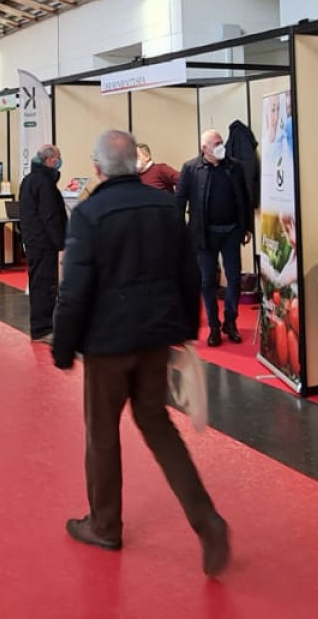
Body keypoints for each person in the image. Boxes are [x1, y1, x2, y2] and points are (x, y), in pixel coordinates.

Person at [53, 129, 230, 575]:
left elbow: (74, 290)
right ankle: (206, 519)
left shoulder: (90, 214)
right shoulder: (164, 207)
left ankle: (105, 524)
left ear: (96, 168)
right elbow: (188, 272)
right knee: (158, 426)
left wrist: (63, 345)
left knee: (102, 433)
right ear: (136, 163)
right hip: (155, 338)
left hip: (107, 344)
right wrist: (188, 329)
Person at [175, 129, 253, 348]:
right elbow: (179, 201)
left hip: (231, 232)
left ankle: (230, 321)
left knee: (234, 278)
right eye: (216, 143)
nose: (221, 146)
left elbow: (245, 198)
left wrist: (247, 226)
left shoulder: (234, 166)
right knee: (207, 281)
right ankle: (214, 326)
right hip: (204, 234)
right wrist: (180, 232)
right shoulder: (191, 168)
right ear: (204, 148)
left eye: (222, 142)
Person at [18, 144, 68, 343]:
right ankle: (42, 329)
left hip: (33, 240)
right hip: (43, 242)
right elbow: (50, 216)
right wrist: (60, 241)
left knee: (40, 282)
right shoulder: (44, 183)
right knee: (45, 285)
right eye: (57, 157)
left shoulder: (29, 180)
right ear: (49, 160)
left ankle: (42, 325)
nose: (59, 161)